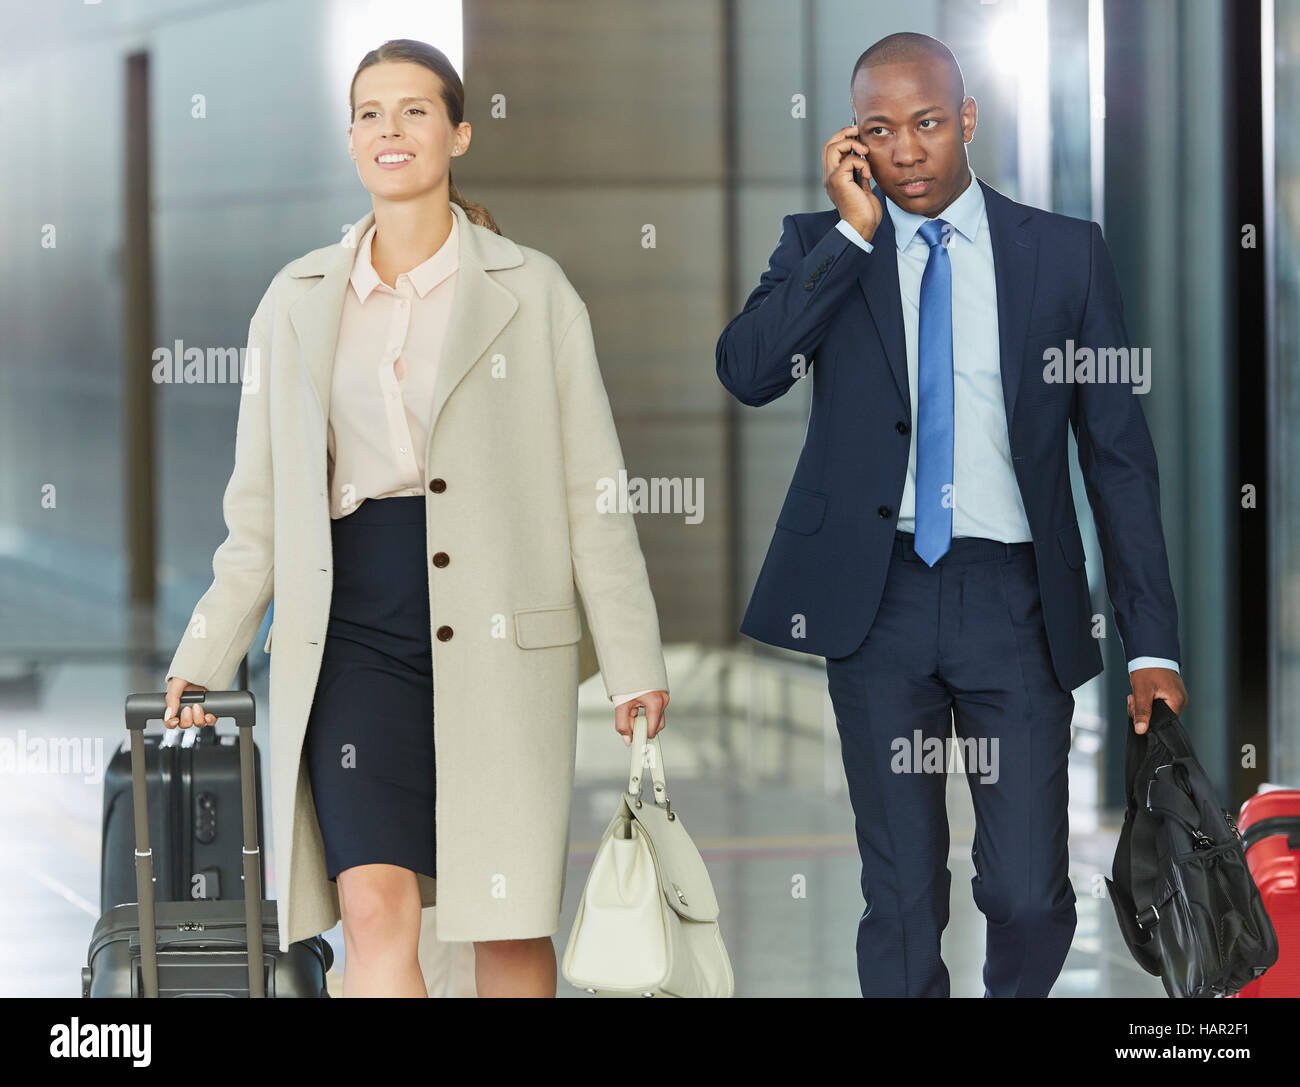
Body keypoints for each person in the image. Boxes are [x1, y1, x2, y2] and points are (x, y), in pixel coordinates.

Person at [162, 38, 669, 998]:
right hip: (351, 630)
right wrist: (205, 651)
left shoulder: (534, 292)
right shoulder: (295, 302)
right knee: (373, 907)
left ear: (458, 132)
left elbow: (593, 493)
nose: (390, 129)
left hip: (504, 635)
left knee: (507, 926)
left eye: (414, 110)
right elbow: (261, 512)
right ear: (351, 141)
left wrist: (633, 660)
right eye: (369, 113)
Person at [715, 31, 1187, 997]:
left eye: (928, 124)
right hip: (875, 601)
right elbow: (749, 370)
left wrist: (1153, 643)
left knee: (1024, 891)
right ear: (854, 143)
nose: (908, 151)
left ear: (966, 120)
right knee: (899, 897)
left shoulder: (1063, 255)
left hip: (1012, 602)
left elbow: (1119, 463)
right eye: (881, 132)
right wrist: (852, 236)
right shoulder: (822, 244)